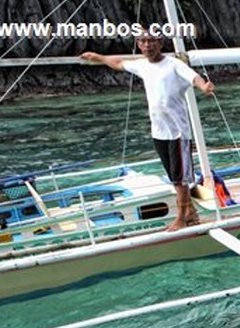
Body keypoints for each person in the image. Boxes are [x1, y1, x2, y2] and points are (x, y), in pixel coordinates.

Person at [81, 34, 215, 232]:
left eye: (151, 41)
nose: (147, 45)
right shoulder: (142, 65)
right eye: (143, 41)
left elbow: (193, 76)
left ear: (160, 43)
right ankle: (191, 212)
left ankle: (181, 218)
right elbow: (117, 62)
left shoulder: (174, 64)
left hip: (178, 132)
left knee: (180, 179)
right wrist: (98, 57)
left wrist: (204, 86)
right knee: (174, 177)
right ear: (138, 45)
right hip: (158, 131)